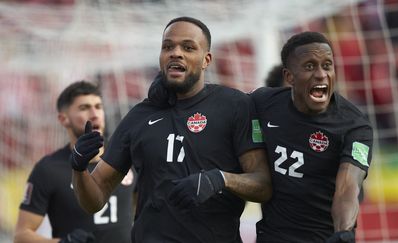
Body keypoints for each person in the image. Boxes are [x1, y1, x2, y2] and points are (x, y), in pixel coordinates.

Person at [70, 16, 272, 243]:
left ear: (206, 60)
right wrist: (78, 168)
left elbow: (263, 185)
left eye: (188, 47)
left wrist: (220, 179)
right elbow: (94, 199)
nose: (175, 52)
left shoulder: (235, 105)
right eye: (168, 47)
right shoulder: (139, 116)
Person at [251, 31, 373, 243]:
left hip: (323, 238)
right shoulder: (263, 103)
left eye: (327, 65)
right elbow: (225, 107)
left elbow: (347, 186)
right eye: (310, 66)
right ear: (289, 77)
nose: (321, 74)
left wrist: (343, 231)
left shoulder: (355, 126)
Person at [14, 81, 136, 243]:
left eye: (98, 106)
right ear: (63, 119)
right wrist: (63, 242)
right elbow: (21, 236)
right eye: (84, 108)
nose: (94, 114)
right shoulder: (49, 169)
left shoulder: (126, 157)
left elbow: (145, 212)